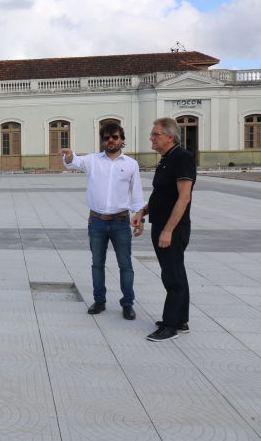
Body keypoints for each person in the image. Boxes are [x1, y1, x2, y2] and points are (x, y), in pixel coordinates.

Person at [60, 122, 144, 320]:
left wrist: (140, 217)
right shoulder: (93, 160)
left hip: (121, 221)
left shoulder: (130, 164)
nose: (111, 141)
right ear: (103, 140)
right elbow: (74, 162)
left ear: (122, 139)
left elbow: (137, 195)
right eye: (107, 138)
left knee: (125, 264)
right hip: (96, 221)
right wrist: (70, 156)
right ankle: (99, 300)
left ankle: (127, 303)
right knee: (97, 263)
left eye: (115, 137)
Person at [131, 117, 195, 342]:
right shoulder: (167, 159)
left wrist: (168, 230)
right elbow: (162, 195)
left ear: (169, 137)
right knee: (176, 272)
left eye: (155, 134)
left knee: (172, 276)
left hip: (173, 229)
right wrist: (142, 212)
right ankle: (181, 319)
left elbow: (183, 197)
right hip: (161, 225)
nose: (151, 137)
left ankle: (170, 326)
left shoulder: (182, 158)